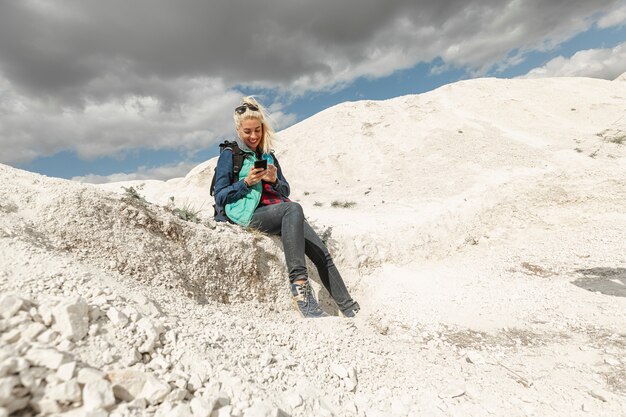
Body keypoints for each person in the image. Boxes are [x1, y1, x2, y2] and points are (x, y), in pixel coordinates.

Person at [213, 97, 360, 318]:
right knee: (293, 209)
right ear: (238, 130)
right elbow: (220, 195)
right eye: (247, 132)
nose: (253, 136)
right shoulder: (229, 155)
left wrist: (273, 180)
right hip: (248, 214)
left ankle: (349, 308)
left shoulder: (268, 155)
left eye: (257, 130)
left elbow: (285, 190)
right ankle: (301, 292)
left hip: (279, 210)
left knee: (321, 252)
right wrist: (246, 183)